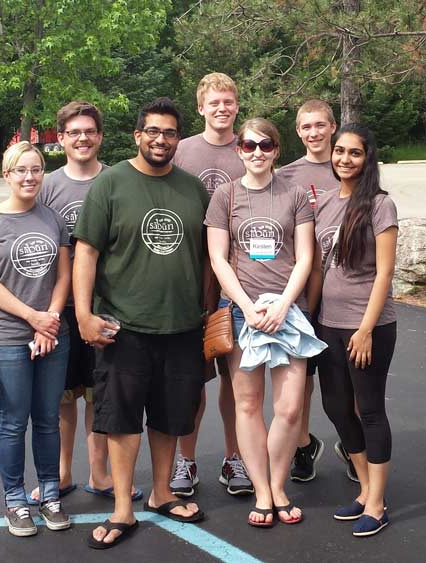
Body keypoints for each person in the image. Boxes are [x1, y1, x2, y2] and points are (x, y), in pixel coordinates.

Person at [73, 98, 208, 549]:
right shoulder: (110, 184)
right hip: (123, 327)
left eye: (170, 133)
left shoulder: (193, 189)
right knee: (122, 418)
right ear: (137, 135)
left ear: (178, 139)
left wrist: (210, 310)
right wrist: (83, 314)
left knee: (171, 417)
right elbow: (86, 253)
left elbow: (209, 257)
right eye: (152, 131)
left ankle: (162, 492)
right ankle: (122, 510)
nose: (160, 139)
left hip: (183, 326)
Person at [27, 101, 142, 504]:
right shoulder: (48, 186)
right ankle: (59, 473)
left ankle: (100, 473)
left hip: (106, 305)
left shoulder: (119, 180)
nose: (82, 138)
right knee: (61, 397)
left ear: (100, 136)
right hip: (58, 307)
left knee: (100, 394)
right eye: (73, 132)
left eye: (89, 131)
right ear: (61, 139)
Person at [205, 118, 317, 527]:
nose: (256, 152)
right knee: (247, 405)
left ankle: (279, 483)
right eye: (249, 145)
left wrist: (285, 304)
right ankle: (264, 492)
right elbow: (218, 258)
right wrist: (247, 308)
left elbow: (305, 256)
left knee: (288, 409)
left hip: (288, 310)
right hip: (241, 311)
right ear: (239, 151)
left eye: (265, 145)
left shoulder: (294, 194)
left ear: (276, 149)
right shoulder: (225, 195)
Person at [0, 141, 72, 537]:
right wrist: (33, 318)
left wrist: (50, 320)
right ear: (6, 174)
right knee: (13, 422)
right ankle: (15, 501)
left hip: (52, 335)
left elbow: (63, 275)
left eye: (36, 169)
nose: (29, 177)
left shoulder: (53, 218)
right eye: (21, 170)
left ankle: (49, 495)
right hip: (8, 338)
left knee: (47, 420)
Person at [312, 123, 398, 537]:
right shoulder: (325, 203)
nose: (344, 159)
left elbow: (384, 274)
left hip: (368, 328)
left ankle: (378, 504)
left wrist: (364, 331)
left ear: (368, 158)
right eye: (340, 151)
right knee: (335, 407)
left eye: (355, 153)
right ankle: (365, 490)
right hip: (328, 324)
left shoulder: (381, 205)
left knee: (370, 410)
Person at [171, 72, 252, 497]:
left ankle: (233, 459)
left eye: (229, 101)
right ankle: (185, 462)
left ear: (237, 105)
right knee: (190, 380)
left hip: (236, 284)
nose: (222, 108)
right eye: (214, 102)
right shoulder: (182, 151)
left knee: (235, 380)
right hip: (188, 279)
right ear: (201, 107)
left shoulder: (251, 148)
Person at [278, 100, 358, 483]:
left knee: (349, 379)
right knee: (302, 377)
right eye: (306, 126)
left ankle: (353, 442)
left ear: (333, 126)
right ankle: (303, 445)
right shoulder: (287, 175)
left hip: (346, 295)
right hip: (303, 292)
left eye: (320, 125)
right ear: (298, 131)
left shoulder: (348, 166)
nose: (314, 133)